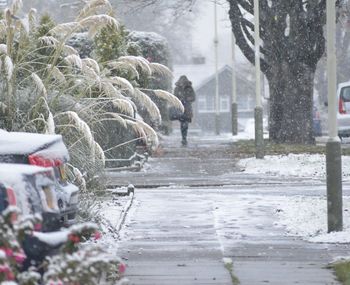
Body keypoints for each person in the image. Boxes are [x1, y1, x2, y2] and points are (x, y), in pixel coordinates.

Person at [174, 75, 196, 146]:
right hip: (180, 108)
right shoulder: (177, 88)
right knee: (183, 123)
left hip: (187, 108)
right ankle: (184, 138)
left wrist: (187, 99)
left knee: (185, 123)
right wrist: (180, 100)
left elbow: (193, 97)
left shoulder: (189, 88)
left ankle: (184, 137)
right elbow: (174, 97)